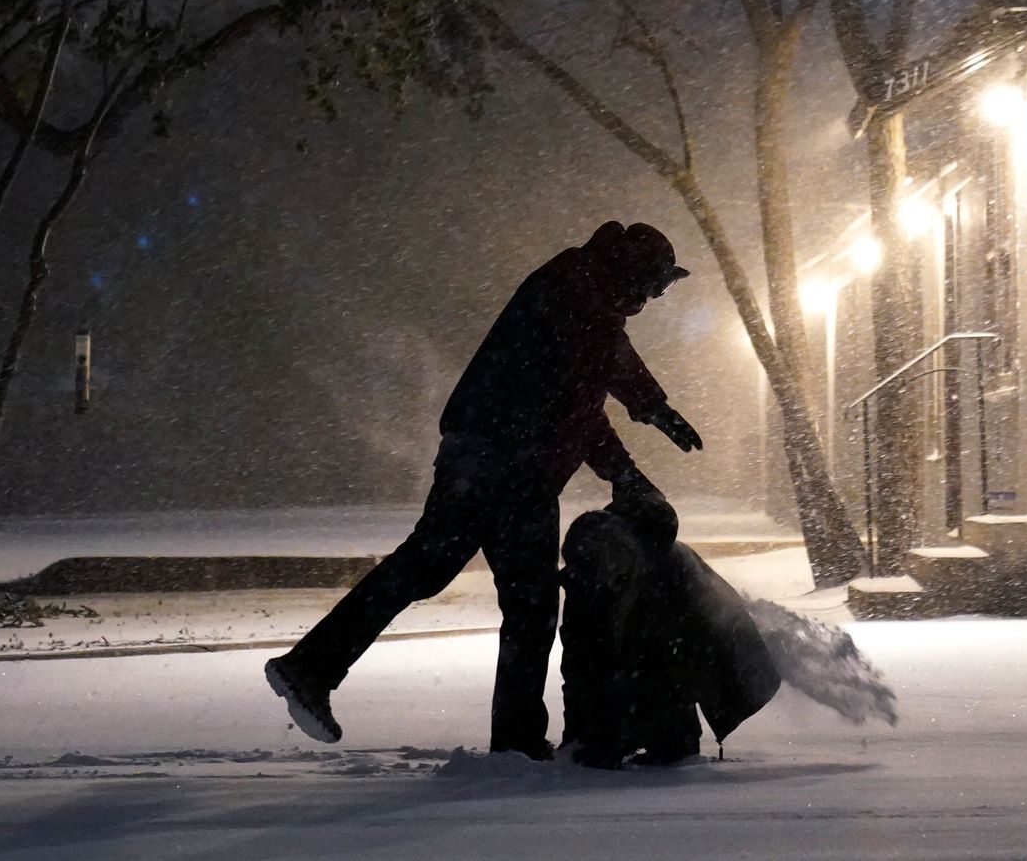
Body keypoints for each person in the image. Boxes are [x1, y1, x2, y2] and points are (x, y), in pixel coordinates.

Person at [266, 221, 702, 759]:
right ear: (636, 271)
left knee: (453, 579)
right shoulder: (578, 291)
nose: (653, 299)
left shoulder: (584, 288)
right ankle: (506, 739)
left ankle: (314, 668)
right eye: (656, 286)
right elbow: (585, 397)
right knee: (514, 602)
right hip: (507, 465)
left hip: (494, 460)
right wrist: (637, 444)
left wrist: (644, 421)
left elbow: (590, 386)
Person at [558, 492, 782, 769]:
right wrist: (577, 737)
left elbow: (670, 668)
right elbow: (578, 665)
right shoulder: (585, 582)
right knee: (619, 672)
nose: (608, 581)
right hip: (678, 654)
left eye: (614, 573)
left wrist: (618, 735)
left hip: (721, 656)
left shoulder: (669, 582)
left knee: (655, 677)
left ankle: (673, 742)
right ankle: (648, 737)